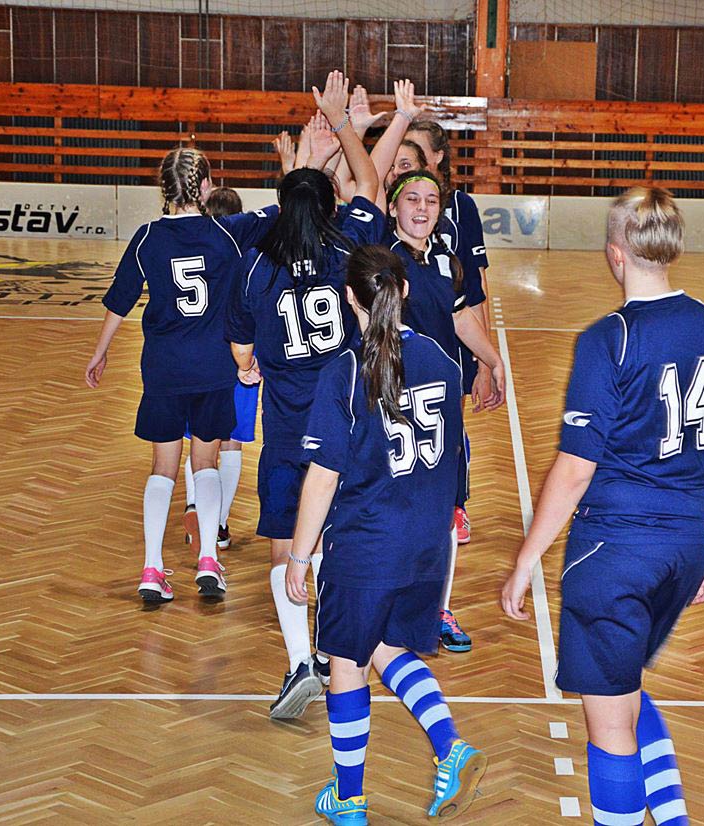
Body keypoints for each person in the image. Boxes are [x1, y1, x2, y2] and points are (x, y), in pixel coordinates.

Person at [501, 187, 704, 826]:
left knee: (609, 724)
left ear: (615, 255)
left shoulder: (610, 339)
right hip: (683, 547)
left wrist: (525, 559)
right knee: (624, 688)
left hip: (614, 553)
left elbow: (576, 469)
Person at [286, 244, 487, 825]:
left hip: (367, 543)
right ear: (405, 291)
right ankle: (450, 747)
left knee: (346, 661)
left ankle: (349, 798)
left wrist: (299, 556)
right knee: (387, 647)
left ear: (348, 297)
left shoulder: (346, 372)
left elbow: (323, 477)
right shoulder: (443, 361)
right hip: (427, 544)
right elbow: (453, 458)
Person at [225, 71, 385, 719]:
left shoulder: (255, 265)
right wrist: (344, 127)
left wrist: (253, 367)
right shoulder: (348, 247)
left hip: (289, 427)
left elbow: (242, 354)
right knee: (336, 538)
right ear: (329, 206)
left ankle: (299, 660)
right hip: (346, 419)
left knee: (285, 536)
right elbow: (370, 185)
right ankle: (332, 649)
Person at [84, 148, 278, 603]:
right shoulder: (228, 232)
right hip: (213, 368)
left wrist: (100, 352)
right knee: (205, 463)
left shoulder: (147, 237)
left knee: (162, 469)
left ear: (163, 189)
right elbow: (284, 208)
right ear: (206, 186)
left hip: (163, 370)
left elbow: (119, 299)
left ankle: (152, 568)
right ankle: (208, 559)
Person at [387, 168, 501, 653]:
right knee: (394, 503)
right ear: (393, 206)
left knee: (443, 507)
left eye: (431, 201)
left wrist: (492, 361)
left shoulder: (444, 260)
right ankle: (386, 599)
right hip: (393, 401)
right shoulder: (381, 260)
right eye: (412, 199)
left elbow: (459, 317)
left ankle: (438, 607)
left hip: (439, 403)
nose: (421, 208)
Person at [407, 119, 492, 545]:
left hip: (449, 347)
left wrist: (487, 363)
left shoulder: (460, 211)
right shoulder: (389, 214)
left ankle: (455, 503)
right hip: (401, 352)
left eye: (416, 152)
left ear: (438, 157)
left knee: (448, 426)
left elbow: (474, 291)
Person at [181, 186, 258, 554]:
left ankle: (194, 504)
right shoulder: (250, 257)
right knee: (231, 444)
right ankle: (219, 524)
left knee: (199, 442)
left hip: (198, 359)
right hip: (241, 356)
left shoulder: (193, 253)